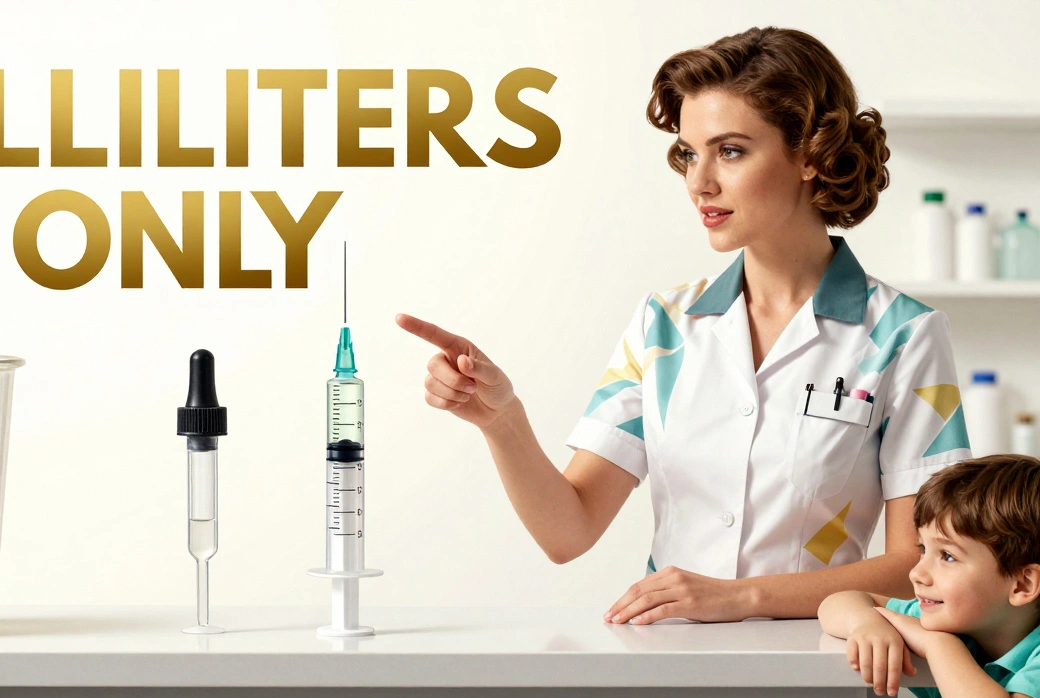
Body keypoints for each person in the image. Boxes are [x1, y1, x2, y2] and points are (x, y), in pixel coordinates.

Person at [396, 26, 973, 624]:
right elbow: (567, 532)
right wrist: (502, 420)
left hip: (814, 665)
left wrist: (743, 596)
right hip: (667, 660)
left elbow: (921, 564)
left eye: (730, 150)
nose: (699, 182)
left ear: (810, 155)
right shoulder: (664, 327)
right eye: (689, 153)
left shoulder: (905, 336)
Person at [819, 455, 1040, 698]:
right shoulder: (956, 621)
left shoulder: (940, 632)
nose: (916, 573)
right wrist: (866, 623)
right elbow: (839, 601)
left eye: (947, 556)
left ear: (1022, 584)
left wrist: (937, 645)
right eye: (923, 549)